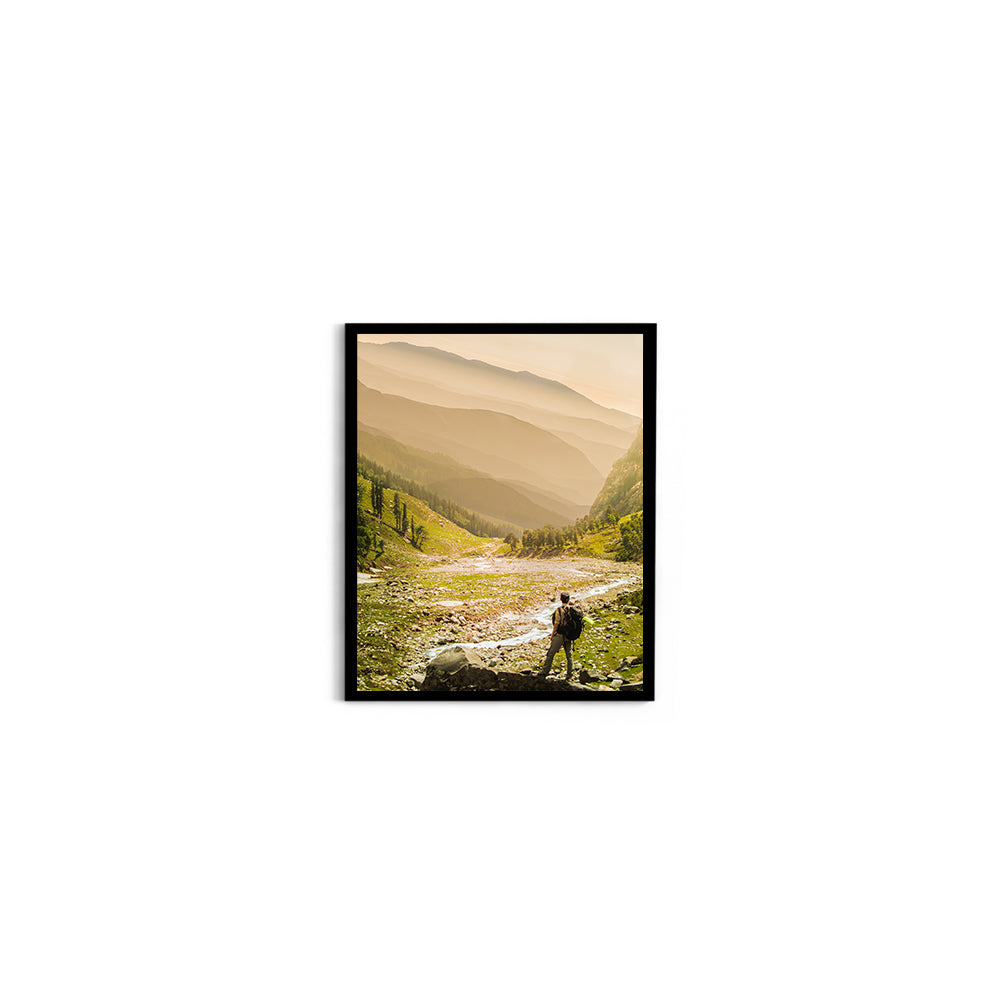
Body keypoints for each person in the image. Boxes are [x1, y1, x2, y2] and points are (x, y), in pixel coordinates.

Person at [539, 592, 576, 682]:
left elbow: (556, 624)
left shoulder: (559, 610)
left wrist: (552, 635)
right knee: (569, 654)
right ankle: (570, 675)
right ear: (569, 599)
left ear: (560, 599)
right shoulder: (572, 610)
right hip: (569, 635)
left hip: (560, 635)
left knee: (551, 653)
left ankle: (545, 671)